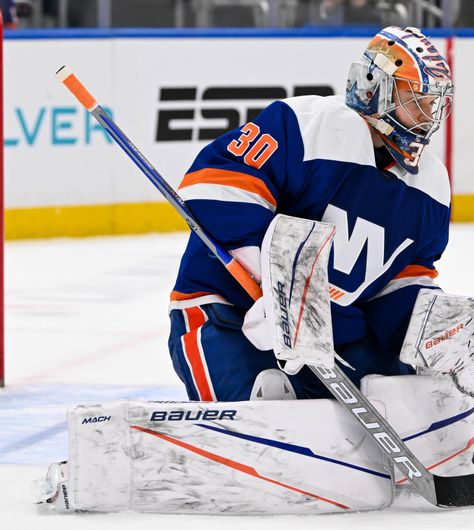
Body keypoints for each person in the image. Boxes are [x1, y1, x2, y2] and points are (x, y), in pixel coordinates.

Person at [167, 26, 454, 403]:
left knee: (407, 404)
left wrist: (438, 331)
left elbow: (402, 282)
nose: (428, 113)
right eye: (416, 98)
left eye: (433, 102)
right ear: (374, 86)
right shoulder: (305, 124)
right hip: (231, 315)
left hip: (336, 340)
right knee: (263, 419)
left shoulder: (430, 184)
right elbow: (216, 188)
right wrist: (276, 288)